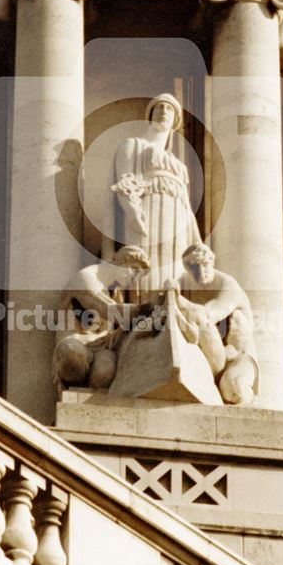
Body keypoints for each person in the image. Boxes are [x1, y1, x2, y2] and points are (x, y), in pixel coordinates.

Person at [111, 93, 201, 297]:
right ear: (150, 114)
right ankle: (142, 316)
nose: (164, 112)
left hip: (177, 219)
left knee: (174, 269)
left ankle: (171, 313)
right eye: (159, 107)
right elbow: (124, 182)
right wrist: (132, 213)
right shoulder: (132, 145)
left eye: (169, 109)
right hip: (146, 212)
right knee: (145, 266)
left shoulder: (178, 164)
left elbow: (187, 207)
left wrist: (197, 242)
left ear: (175, 120)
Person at [53, 246, 150, 394]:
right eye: (134, 270)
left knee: (106, 372)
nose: (133, 279)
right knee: (72, 356)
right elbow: (107, 309)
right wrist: (149, 308)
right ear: (121, 262)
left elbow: (109, 330)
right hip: (75, 343)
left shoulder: (114, 291)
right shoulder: (85, 279)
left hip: (100, 347)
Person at [177, 243, 259, 405]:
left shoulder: (229, 286)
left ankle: (251, 405)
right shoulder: (183, 283)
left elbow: (208, 315)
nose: (201, 271)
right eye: (194, 267)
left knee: (234, 389)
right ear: (187, 268)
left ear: (212, 262)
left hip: (237, 357)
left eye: (205, 265)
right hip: (206, 356)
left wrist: (177, 300)